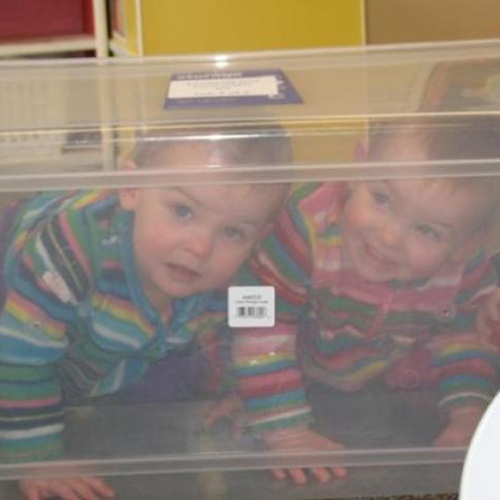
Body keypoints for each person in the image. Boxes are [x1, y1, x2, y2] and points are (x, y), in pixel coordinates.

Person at [0, 125, 291, 500]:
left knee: (167, 383)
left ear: (258, 237)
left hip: (123, 333)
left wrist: (246, 394)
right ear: (131, 188)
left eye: (233, 232)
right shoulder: (71, 247)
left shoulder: (244, 280)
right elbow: (19, 353)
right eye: (182, 210)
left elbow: (256, 339)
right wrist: (37, 458)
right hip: (20, 274)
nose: (200, 247)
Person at [233, 116, 500, 485]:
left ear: (466, 246)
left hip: (384, 385)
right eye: (382, 198)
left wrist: (468, 414)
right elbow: (255, 319)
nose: (389, 236)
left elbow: (462, 340)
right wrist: (284, 429)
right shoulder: (301, 225)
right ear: (357, 169)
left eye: (427, 230)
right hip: (280, 370)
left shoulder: (467, 269)